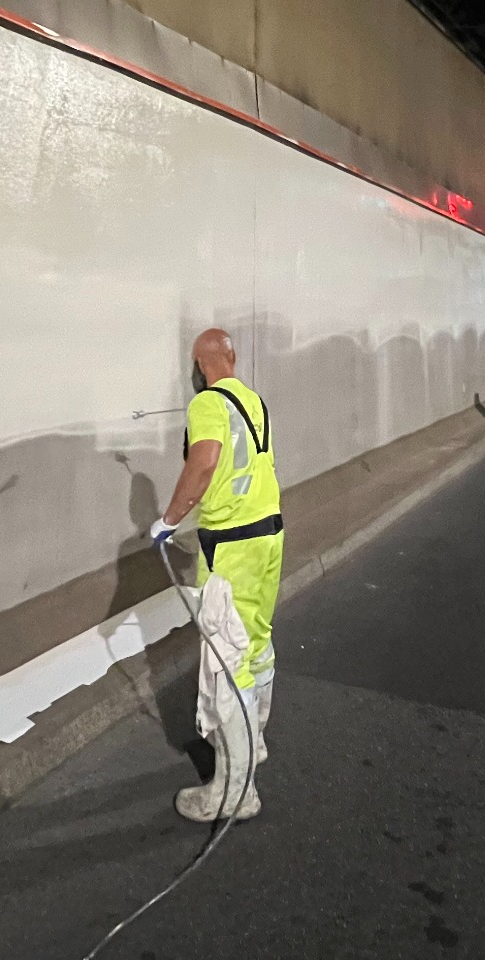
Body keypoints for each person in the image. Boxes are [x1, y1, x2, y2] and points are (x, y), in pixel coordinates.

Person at [150, 328, 281, 822]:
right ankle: (256, 742)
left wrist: (168, 520)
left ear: (200, 364)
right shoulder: (254, 400)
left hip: (233, 546)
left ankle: (234, 788)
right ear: (231, 357)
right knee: (258, 643)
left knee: (228, 661)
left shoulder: (207, 404)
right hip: (270, 535)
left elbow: (203, 465)